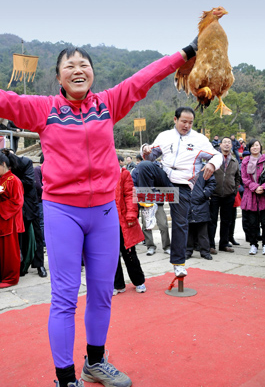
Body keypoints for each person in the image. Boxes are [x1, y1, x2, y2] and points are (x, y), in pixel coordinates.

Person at [0, 37, 199, 387]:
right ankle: (65, 379)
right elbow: (5, 100)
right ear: (59, 77)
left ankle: (95, 362)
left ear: (92, 73)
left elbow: (144, 79)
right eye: (69, 66)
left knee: (103, 292)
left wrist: (186, 53)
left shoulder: (107, 103)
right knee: (64, 297)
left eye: (84, 65)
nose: (78, 70)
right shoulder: (43, 109)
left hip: (104, 212)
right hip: (63, 211)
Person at [137, 106, 222, 278]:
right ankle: (149, 206)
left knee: (181, 223)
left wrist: (212, 164)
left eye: (190, 123)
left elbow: (217, 155)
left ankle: (178, 263)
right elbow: (150, 156)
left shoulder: (199, 139)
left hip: (183, 184)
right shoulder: (165, 136)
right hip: (165, 176)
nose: (187, 125)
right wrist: (145, 149)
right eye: (184, 121)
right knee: (144, 166)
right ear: (175, 120)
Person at [1, 150, 47, 278]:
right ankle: (21, 265)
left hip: (30, 202)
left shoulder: (25, 163)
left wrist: (10, 183)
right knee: (20, 236)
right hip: (14, 202)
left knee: (37, 234)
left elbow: (29, 182)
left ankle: (40, 265)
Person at [113, 158, 146, 295]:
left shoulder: (123, 173)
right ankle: (118, 284)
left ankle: (139, 281)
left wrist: (131, 214)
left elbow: (130, 194)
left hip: (123, 220)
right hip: (106, 223)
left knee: (129, 253)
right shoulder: (99, 174)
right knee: (111, 256)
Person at [208, 137, 241, 254]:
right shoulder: (214, 159)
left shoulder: (234, 161)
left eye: (229, 143)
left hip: (229, 195)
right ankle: (210, 245)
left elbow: (238, 177)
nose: (227, 145)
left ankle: (224, 243)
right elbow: (207, 175)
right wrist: (209, 191)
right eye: (225, 142)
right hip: (214, 195)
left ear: (231, 146)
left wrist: (234, 190)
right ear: (220, 145)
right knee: (212, 221)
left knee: (226, 221)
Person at [0, 150, 24, 288]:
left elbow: (17, 202)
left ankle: (10, 278)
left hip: (9, 221)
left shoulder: (13, 180)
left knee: (9, 251)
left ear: (3, 164)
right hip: (2, 220)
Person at [186, 165, 216, 260]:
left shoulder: (205, 168)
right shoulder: (184, 167)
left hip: (201, 203)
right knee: (188, 231)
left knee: (203, 231)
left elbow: (212, 183)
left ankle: (205, 252)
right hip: (187, 203)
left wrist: (204, 194)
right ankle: (187, 251)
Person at [240, 139, 265, 255]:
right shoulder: (245, 162)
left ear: (260, 147)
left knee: (264, 221)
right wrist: (255, 187)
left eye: (257, 145)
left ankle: (264, 244)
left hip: (263, 195)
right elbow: (244, 178)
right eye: (252, 146)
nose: (255, 148)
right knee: (252, 222)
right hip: (250, 195)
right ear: (249, 148)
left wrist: (262, 187)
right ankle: (253, 244)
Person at [34, 153, 45, 246]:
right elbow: (38, 185)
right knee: (41, 222)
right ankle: (42, 241)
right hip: (40, 200)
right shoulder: (37, 169)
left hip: (44, 200)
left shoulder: (44, 170)